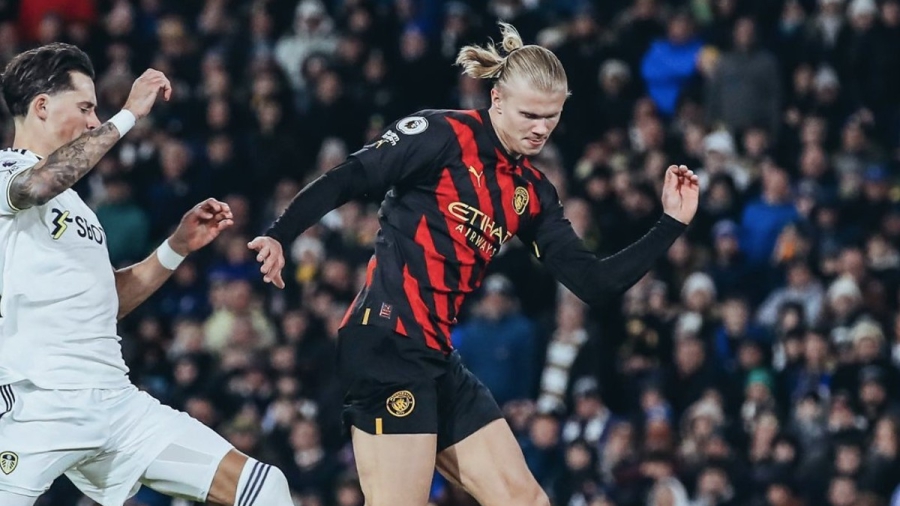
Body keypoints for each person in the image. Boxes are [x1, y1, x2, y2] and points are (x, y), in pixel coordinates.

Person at [249, 22, 699, 506]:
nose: (541, 128)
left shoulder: (532, 193)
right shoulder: (440, 134)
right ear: (497, 99)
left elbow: (594, 283)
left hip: (437, 357)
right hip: (386, 343)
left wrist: (670, 223)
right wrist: (280, 234)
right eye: (529, 114)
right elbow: (350, 176)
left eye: (551, 116)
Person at [0, 44, 293, 506]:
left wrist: (176, 247)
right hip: (38, 405)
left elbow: (108, 301)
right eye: (85, 108)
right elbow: (36, 184)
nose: (95, 121)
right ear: (41, 106)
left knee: (263, 488)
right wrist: (129, 114)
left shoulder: (79, 209)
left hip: (116, 405)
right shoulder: (8, 173)